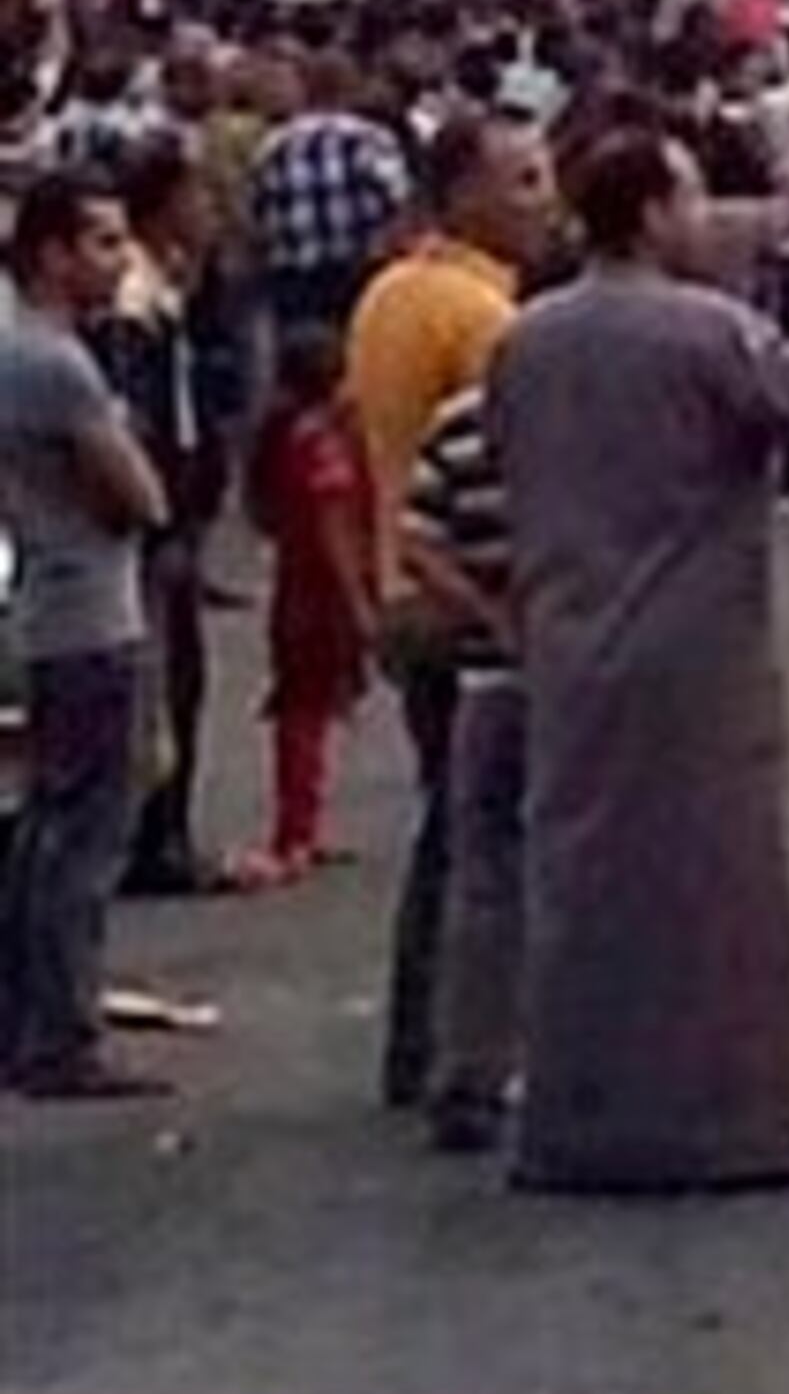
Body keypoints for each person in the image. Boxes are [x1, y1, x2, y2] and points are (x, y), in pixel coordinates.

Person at [492, 130, 789, 1194]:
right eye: (693, 197)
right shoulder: (703, 332)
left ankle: (574, 1122)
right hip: (696, 655)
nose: (704, 217)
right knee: (719, 896)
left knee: (582, 888)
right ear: (651, 212)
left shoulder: (527, 340)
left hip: (568, 641)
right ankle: (734, 1129)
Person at [347, 110, 555, 1113]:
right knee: (485, 845)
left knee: (447, 835)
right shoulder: (483, 323)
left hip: (396, 585)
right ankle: (463, 1054)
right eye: (520, 181)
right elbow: (499, 468)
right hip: (458, 602)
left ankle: (420, 1042)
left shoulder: (390, 294)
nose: (542, 200)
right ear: (462, 194)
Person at [0, 170, 176, 1098]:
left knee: (46, 824)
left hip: (45, 599)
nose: (120, 261)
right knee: (86, 832)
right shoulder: (57, 365)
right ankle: (61, 1035)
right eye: (102, 243)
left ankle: (26, 1019)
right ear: (51, 252)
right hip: (90, 612)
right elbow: (138, 497)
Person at [401, 383, 529, 1155]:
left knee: (481, 882)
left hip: (486, 679)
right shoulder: (590, 414)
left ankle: (467, 1074)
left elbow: (417, 541)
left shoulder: (461, 420)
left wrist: (486, 617)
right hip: (589, 682)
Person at [102, 138, 229, 897]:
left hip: (177, 516)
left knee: (178, 676)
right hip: (157, 526)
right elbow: (141, 419)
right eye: (200, 197)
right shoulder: (134, 307)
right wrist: (163, 522)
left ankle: (164, 830)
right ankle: (153, 836)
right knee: (161, 679)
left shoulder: (167, 293)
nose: (212, 212)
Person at [243, 326, 378, 885]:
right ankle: (295, 832)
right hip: (319, 591)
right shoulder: (321, 441)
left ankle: (303, 826)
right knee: (307, 709)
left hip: (294, 582)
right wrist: (359, 600)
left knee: (309, 707)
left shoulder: (282, 436)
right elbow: (334, 525)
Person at [246, 53, 412, 347]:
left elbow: (256, 217)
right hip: (359, 275)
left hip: (295, 284)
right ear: (350, 87)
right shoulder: (371, 140)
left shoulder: (272, 147)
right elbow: (400, 205)